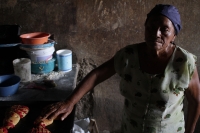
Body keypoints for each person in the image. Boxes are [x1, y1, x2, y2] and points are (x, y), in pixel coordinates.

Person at [41, 4, 200, 133]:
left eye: (164, 29)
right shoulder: (129, 56)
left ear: (174, 35)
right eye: (151, 27)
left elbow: (196, 102)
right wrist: (70, 102)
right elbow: (97, 74)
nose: (156, 33)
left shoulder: (184, 63)